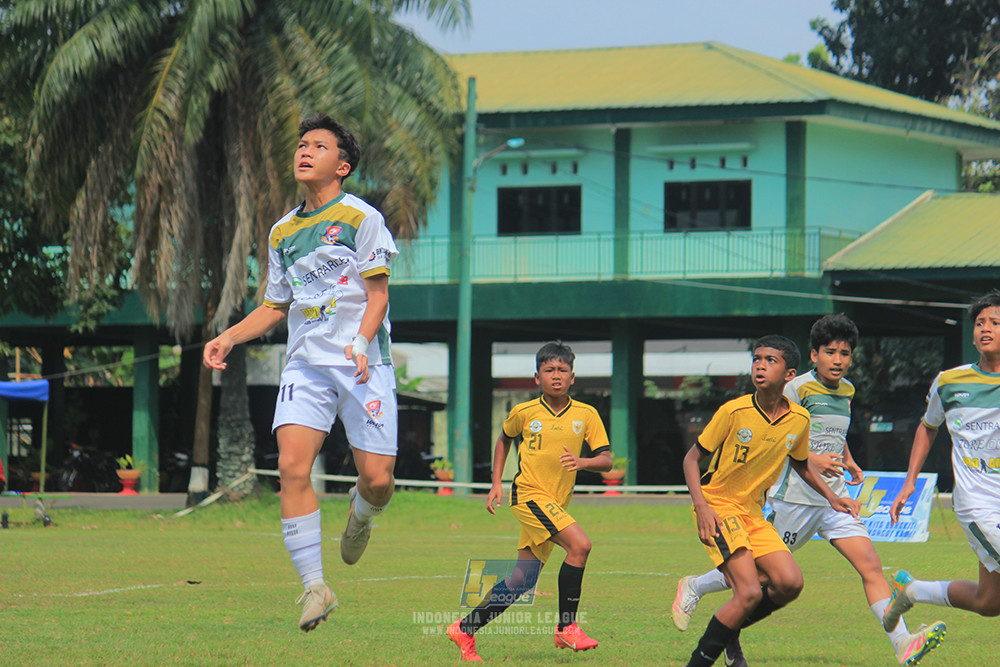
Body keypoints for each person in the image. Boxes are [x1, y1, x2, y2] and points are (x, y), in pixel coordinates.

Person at [203, 114, 399, 632]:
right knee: (293, 468)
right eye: (302, 144)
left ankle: (362, 510)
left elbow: (377, 294)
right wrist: (228, 335)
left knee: (379, 480)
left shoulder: (363, 218)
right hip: (306, 365)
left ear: (343, 164)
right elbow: (274, 306)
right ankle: (315, 587)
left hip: (364, 363)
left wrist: (359, 342)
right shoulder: (282, 231)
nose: (305, 151)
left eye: (319, 145)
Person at [673, 315, 945, 666]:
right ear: (814, 355)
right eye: (830, 352)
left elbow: (830, 434)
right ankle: (699, 588)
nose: (837, 360)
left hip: (831, 498)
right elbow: (791, 444)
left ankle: (902, 643)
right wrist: (815, 459)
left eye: (844, 353)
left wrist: (848, 461)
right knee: (758, 581)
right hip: (794, 499)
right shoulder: (792, 387)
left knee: (869, 568)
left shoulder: (846, 390)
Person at [680, 335, 860, 667]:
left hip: (753, 513)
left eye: (770, 360)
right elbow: (691, 460)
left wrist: (834, 497)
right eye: (757, 359)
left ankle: (729, 627)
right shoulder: (733, 411)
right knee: (748, 592)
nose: (761, 366)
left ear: (790, 374)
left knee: (790, 583)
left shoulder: (799, 419)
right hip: (718, 506)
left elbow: (802, 463)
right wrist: (702, 507)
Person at [447, 341, 613, 662]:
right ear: (536, 377)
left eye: (562, 370)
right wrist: (496, 483)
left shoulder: (587, 414)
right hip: (528, 495)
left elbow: (606, 460)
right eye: (548, 370)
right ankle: (567, 628)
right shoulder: (523, 412)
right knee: (580, 546)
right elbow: (504, 439)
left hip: (555, 504)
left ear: (572, 377)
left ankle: (464, 629)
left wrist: (583, 462)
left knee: (522, 581)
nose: (555, 376)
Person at [882, 290, 1000, 633]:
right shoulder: (949, 382)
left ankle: (912, 589)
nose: (985, 328)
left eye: (995, 322)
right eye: (980, 323)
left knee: (989, 603)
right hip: (977, 502)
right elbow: (927, 427)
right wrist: (909, 482)